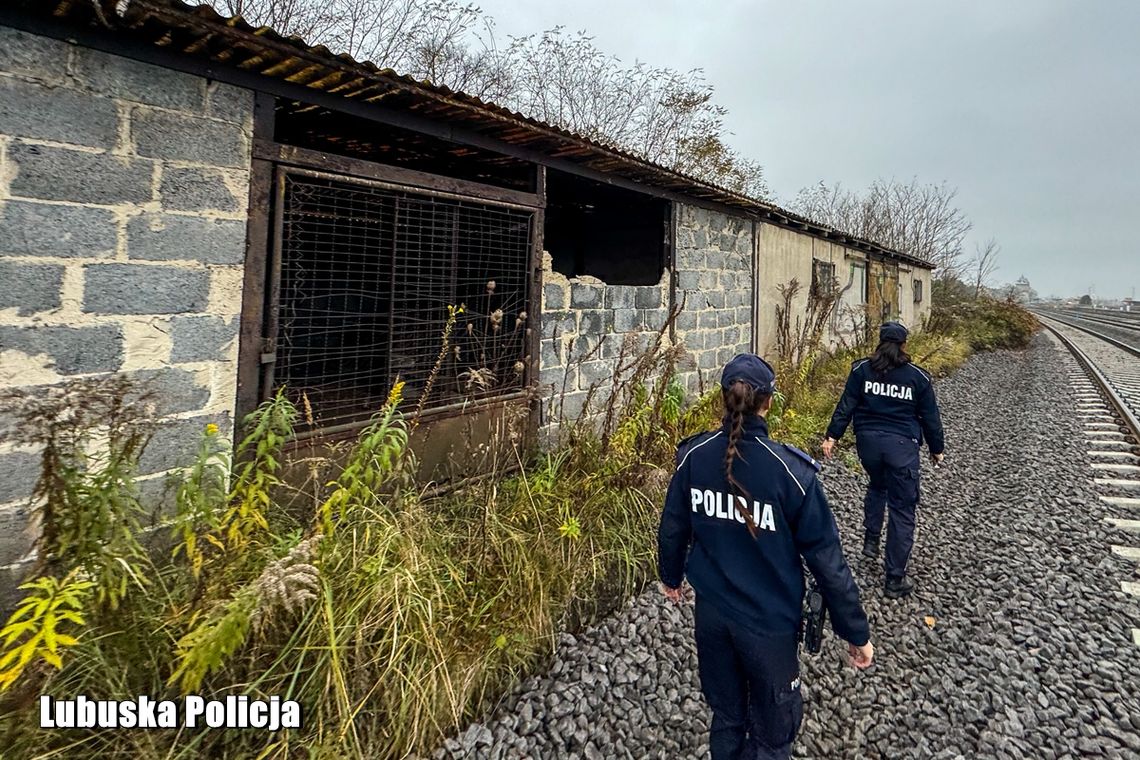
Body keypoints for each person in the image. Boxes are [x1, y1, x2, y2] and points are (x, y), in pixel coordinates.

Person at [658, 353, 874, 760]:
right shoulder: (792, 474)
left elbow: (673, 526)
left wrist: (670, 578)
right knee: (773, 735)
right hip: (769, 628)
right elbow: (828, 562)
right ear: (768, 403)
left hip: (713, 618)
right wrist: (855, 633)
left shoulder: (693, 457)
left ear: (722, 399)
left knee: (726, 717)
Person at [821, 321, 945, 599]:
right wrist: (937, 449)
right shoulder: (918, 378)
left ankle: (871, 540)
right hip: (901, 448)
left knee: (877, 486)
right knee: (902, 509)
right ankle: (894, 578)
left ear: (879, 343)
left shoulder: (861, 370)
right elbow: (930, 418)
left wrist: (832, 436)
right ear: (904, 345)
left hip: (869, 446)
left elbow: (846, 405)